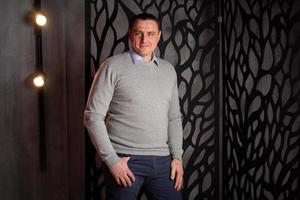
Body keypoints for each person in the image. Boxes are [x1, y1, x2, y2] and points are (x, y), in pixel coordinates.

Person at [84, 13, 184, 200]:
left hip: (163, 162)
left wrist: (177, 157)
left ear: (159, 36)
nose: (145, 39)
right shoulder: (112, 66)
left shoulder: (168, 70)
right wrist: (112, 161)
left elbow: (174, 117)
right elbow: (93, 116)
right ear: (130, 35)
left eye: (150, 33)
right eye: (139, 33)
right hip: (125, 160)